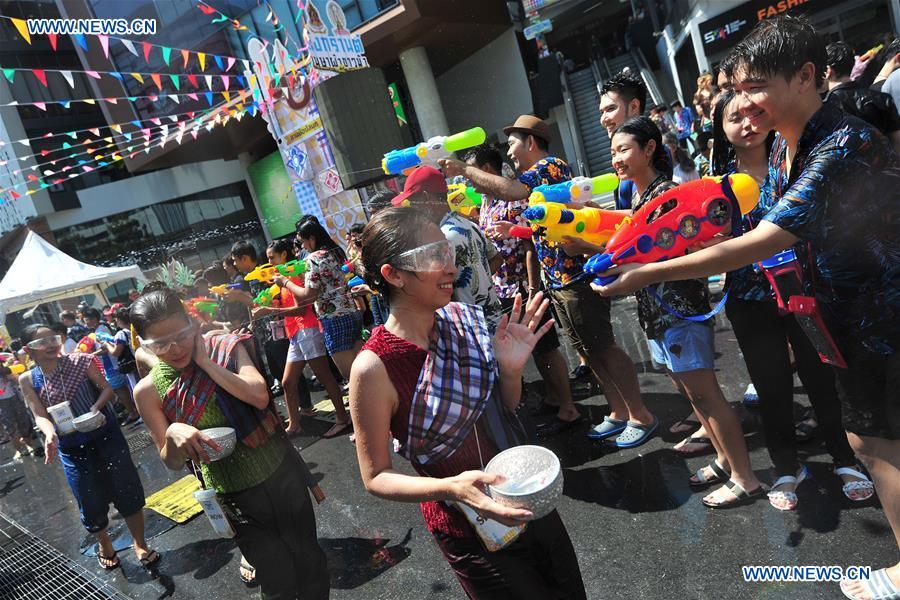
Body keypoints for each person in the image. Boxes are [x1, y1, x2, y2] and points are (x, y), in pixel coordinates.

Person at [594, 16, 899, 598]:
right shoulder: (791, 149)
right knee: (870, 440)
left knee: (880, 443)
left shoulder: (843, 142)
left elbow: (767, 240)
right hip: (842, 321)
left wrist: (649, 271)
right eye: (737, 90)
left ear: (806, 77)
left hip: (880, 319)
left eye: (756, 86)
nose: (744, 103)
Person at [350, 207, 586, 599]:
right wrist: (453, 487)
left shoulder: (462, 317)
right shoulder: (374, 367)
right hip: (469, 527)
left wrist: (510, 373)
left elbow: (504, 411)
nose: (450, 267)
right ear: (393, 274)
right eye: (432, 257)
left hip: (524, 494)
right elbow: (375, 476)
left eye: (447, 252)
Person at [439, 115, 657, 449]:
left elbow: (511, 191)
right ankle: (617, 411)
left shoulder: (549, 167)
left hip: (577, 274)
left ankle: (641, 414)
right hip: (557, 277)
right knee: (586, 348)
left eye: (513, 143)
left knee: (603, 346)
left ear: (530, 142)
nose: (510, 152)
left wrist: (464, 169)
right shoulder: (534, 178)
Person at [711, 88, 873, 510]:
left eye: (752, 115)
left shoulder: (795, 160)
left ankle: (844, 457)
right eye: (734, 119)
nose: (747, 125)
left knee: (823, 378)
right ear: (721, 130)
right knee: (770, 384)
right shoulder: (716, 185)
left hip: (805, 291)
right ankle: (787, 466)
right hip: (749, 297)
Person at [131, 290, 329, 599]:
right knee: (277, 581)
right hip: (234, 496)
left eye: (181, 335)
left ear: (191, 323)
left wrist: (205, 363)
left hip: (281, 473)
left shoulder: (225, 347)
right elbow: (170, 461)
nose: (175, 348)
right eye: (160, 344)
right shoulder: (147, 391)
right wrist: (172, 434)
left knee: (310, 561)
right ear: (144, 345)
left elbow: (259, 395)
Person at [611, 116, 764, 507]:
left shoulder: (670, 194)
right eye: (613, 151)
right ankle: (724, 460)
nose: (617, 159)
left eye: (624, 149)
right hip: (656, 312)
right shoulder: (637, 196)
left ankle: (745, 478)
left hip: (680, 310)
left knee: (708, 396)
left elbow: (702, 246)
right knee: (693, 397)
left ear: (649, 149)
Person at [18, 325, 159, 571]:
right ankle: (105, 545)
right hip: (72, 447)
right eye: (43, 343)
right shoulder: (28, 379)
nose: (51, 345)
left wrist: (96, 408)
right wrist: (50, 433)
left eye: (53, 339)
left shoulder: (81, 361)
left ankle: (140, 543)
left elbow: (108, 390)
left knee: (126, 488)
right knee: (88, 497)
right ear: (28, 350)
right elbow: (39, 415)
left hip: (106, 435)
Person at [466, 143, 581, 434]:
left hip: (521, 288)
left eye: (472, 174)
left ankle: (568, 406)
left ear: (488, 171)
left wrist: (532, 287)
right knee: (530, 351)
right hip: (501, 289)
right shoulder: (487, 202)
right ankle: (555, 397)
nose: (468, 181)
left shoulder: (512, 199)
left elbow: (530, 243)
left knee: (545, 347)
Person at [392, 166, 503, 332]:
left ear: (425, 197)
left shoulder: (442, 238)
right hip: (493, 319)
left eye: (413, 201)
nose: (413, 208)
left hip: (470, 329)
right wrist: (478, 281)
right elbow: (496, 259)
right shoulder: (469, 224)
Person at [264, 238, 348, 438]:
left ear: (284, 255)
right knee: (287, 382)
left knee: (325, 376)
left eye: (272, 257)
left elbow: (302, 309)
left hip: (307, 330)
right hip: (296, 333)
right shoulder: (284, 276)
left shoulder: (294, 274)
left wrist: (269, 310)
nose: (270, 263)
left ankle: (342, 419)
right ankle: (294, 424)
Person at [292, 218, 363, 386]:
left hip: (334, 319)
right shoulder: (335, 251)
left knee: (353, 378)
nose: (302, 247)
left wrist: (285, 282)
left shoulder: (313, 258)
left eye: (302, 242)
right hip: (351, 312)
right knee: (364, 367)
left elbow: (309, 296)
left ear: (312, 239)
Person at [822, 41, 900, 154]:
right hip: (886, 166)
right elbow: (897, 141)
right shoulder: (882, 98)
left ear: (828, 71)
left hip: (851, 170)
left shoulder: (825, 109)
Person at [83, 308, 140, 423]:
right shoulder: (101, 329)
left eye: (87, 319)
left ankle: (134, 412)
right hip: (113, 364)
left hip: (112, 365)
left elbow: (106, 348)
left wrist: (90, 355)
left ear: (94, 319)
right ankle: (134, 412)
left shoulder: (100, 330)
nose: (85, 322)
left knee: (121, 389)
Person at [0, 364, 40, 459]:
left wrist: (12, 378)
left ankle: (29, 444)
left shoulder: (7, 371)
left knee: (24, 423)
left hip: (16, 399)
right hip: (2, 403)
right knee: (10, 427)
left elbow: (19, 382)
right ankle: (18, 450)